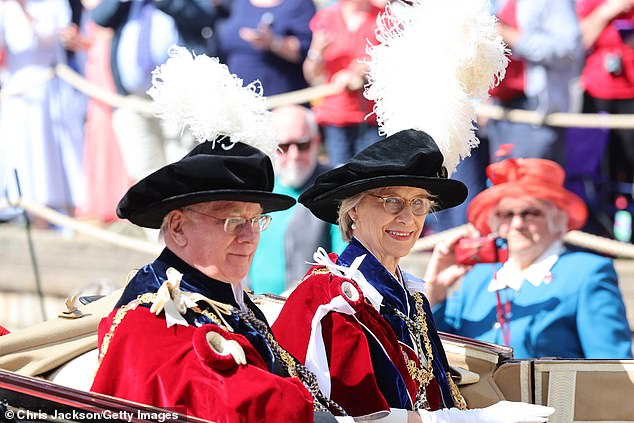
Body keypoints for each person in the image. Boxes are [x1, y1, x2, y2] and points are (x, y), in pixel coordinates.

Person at [90, 47, 343, 423]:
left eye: (255, 220)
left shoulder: (229, 298)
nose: (248, 236)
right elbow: (230, 403)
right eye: (231, 221)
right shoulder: (150, 313)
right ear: (177, 227)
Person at [425, 157, 633, 359]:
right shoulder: (475, 279)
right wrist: (435, 290)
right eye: (507, 214)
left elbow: (610, 369)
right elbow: (433, 355)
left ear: (557, 218)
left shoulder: (587, 273)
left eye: (530, 213)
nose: (517, 224)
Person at [0, 0, 85, 224]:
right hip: (18, 93)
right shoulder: (5, 8)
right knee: (25, 155)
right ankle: (35, 218)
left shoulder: (55, 4)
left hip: (51, 89)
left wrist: (22, 8)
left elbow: (48, 36)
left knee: (58, 154)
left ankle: (70, 216)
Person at [247, 105, 345, 295]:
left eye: (302, 145)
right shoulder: (257, 188)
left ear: (316, 142)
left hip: (309, 311)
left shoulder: (336, 190)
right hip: (254, 310)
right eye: (283, 147)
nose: (294, 156)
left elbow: (343, 264)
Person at [485, 0, 583, 165]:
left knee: (530, 188)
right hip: (499, 111)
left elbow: (569, 50)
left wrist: (507, 34)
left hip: (535, 111)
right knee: (504, 187)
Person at [302, 0, 383, 166]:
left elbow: (395, 66)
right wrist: (316, 52)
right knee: (339, 179)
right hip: (336, 115)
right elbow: (311, 74)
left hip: (372, 116)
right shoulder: (326, 17)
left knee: (371, 179)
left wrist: (366, 68)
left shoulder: (384, 18)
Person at [577, 0, 634, 185]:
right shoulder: (592, 3)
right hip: (597, 94)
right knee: (598, 162)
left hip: (630, 96)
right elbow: (579, 41)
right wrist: (607, 12)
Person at [217, 0, 314, 96]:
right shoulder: (238, 3)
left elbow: (307, 50)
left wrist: (273, 42)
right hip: (238, 99)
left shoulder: (298, 3)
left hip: (280, 102)